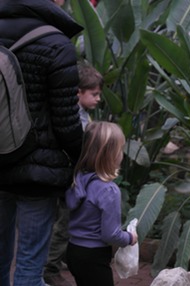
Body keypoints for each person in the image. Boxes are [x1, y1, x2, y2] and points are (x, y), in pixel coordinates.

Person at [0, 0, 84, 286]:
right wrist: (79, 158)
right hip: (38, 169)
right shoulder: (56, 43)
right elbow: (66, 121)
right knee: (29, 269)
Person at [44, 60, 103, 286]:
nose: (98, 98)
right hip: (69, 179)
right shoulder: (73, 116)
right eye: (94, 94)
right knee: (63, 223)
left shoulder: (82, 113)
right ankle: (50, 267)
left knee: (68, 221)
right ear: (78, 92)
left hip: (75, 178)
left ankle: (60, 258)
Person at [66, 121, 138, 286]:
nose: (122, 154)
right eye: (120, 149)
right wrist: (129, 237)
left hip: (74, 251)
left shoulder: (79, 179)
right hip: (93, 256)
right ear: (111, 154)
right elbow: (110, 234)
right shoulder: (108, 190)